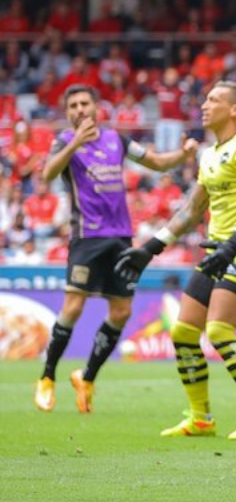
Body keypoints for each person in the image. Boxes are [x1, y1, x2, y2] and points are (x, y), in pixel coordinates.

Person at [115, 81, 236, 440]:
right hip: (215, 250)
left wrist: (235, 241)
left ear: (235, 109)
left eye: (213, 100)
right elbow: (193, 209)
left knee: (219, 331)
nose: (204, 105)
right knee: (184, 331)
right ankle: (201, 418)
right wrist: (151, 247)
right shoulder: (209, 153)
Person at [35, 85, 198, 414]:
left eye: (85, 103)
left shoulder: (116, 140)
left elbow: (154, 161)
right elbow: (48, 173)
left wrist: (183, 155)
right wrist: (76, 143)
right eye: (73, 105)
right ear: (68, 113)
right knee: (73, 306)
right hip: (87, 238)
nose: (80, 109)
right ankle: (47, 377)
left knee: (122, 312)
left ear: (96, 107)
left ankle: (87, 377)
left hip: (121, 237)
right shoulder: (65, 142)